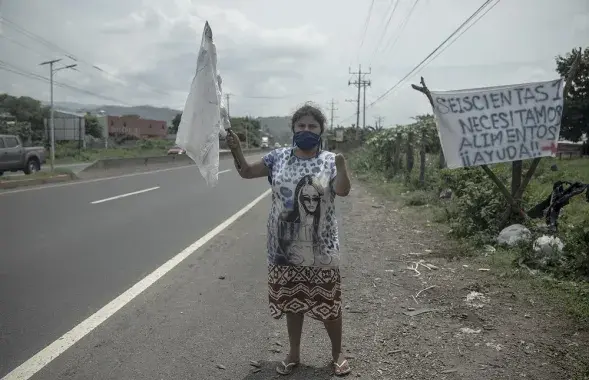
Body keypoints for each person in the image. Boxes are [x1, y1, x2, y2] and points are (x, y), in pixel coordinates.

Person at [225, 103, 352, 376]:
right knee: (293, 301)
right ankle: (293, 353)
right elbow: (246, 171)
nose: (306, 130)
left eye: (312, 126)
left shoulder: (330, 160)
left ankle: (337, 353)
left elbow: (342, 191)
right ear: (293, 129)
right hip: (283, 247)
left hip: (322, 248)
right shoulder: (277, 158)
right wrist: (236, 149)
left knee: (329, 302)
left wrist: (342, 168)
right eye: (301, 126)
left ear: (321, 131)